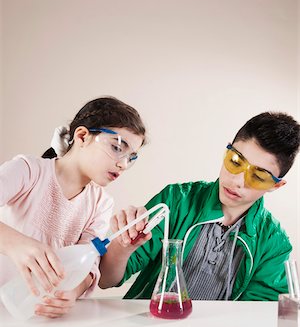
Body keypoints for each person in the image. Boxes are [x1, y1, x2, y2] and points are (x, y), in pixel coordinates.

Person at [99, 111, 300, 301]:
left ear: (276, 185)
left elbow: (252, 316)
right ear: (227, 151)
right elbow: (106, 280)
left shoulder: (274, 243)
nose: (237, 180)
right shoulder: (176, 201)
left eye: (258, 176)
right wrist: (122, 246)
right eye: (236, 161)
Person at [0, 96, 146, 317]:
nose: (123, 164)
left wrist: (72, 292)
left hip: (36, 316)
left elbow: (90, 264)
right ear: (82, 136)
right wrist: (16, 244)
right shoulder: (28, 170)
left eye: (131, 158)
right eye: (117, 147)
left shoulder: (100, 203)